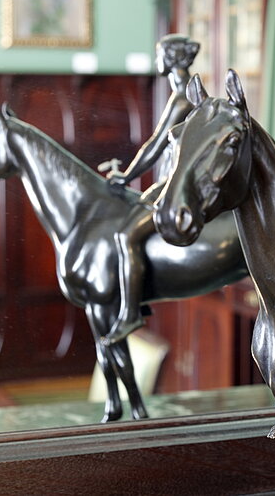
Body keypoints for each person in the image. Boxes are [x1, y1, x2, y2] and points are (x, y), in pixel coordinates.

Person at [101, 34, 200, 346]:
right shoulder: (188, 92)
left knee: (125, 234)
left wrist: (127, 175)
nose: (156, 59)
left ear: (171, 58)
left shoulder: (182, 97)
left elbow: (155, 145)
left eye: (159, 53)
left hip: (176, 186)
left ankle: (131, 312)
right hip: (171, 182)